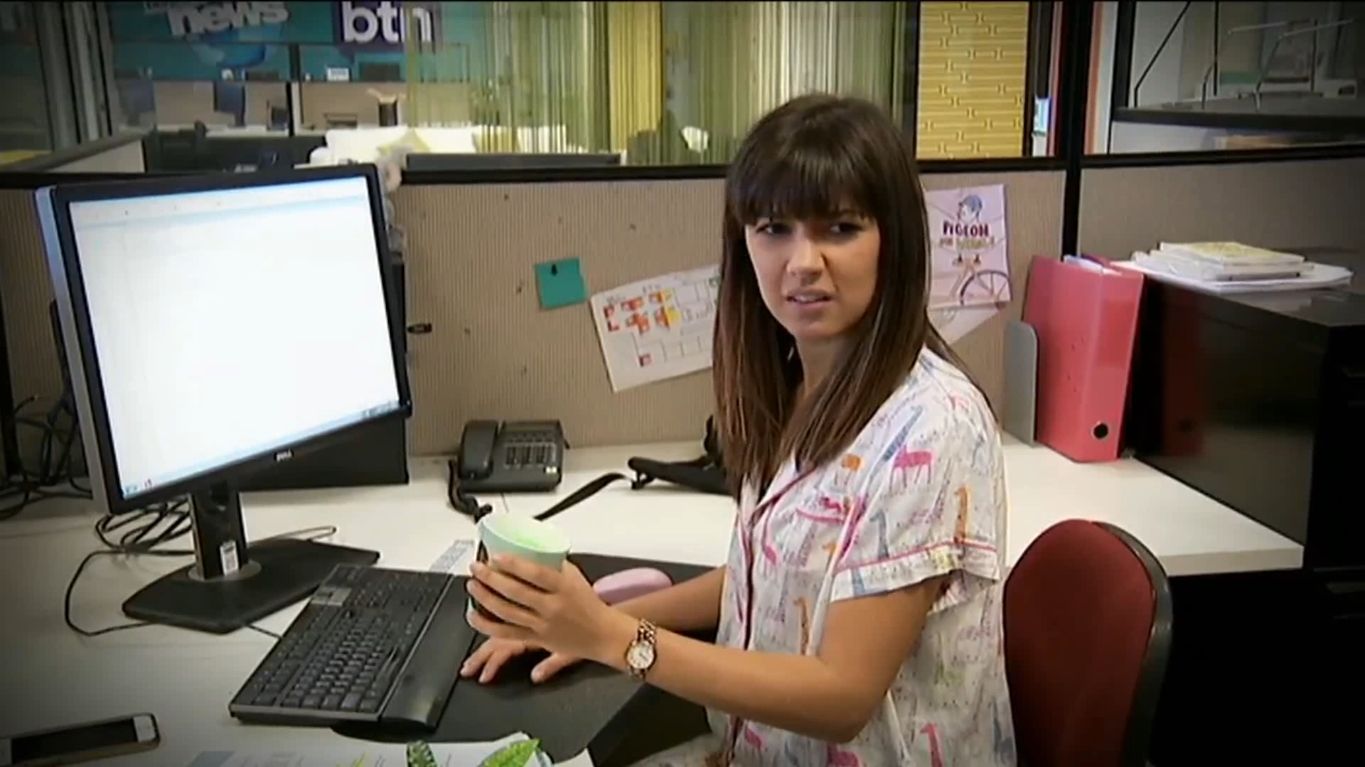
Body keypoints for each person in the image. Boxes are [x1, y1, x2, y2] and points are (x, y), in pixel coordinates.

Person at [461, 93, 1016, 766]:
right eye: (774, 228)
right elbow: (776, 576)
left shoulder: (932, 429)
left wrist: (613, 637)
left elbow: (842, 697)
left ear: (893, 241)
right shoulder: (797, 384)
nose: (802, 261)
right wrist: (583, 625)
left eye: (840, 228)